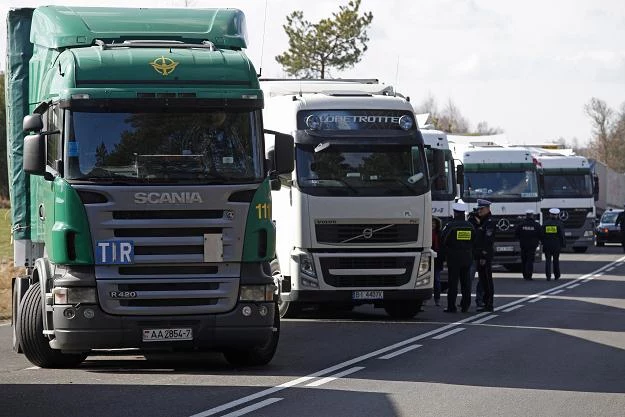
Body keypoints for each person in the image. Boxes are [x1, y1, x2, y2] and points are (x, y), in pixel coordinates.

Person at [440, 202, 475, 313]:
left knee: (453, 283)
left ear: (455, 213)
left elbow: (443, 239)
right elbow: (474, 241)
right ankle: (465, 305)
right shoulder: (470, 226)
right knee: (466, 283)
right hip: (467, 257)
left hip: (453, 258)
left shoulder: (451, 226)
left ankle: (451, 306)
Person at [474, 199, 496, 312]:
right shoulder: (483, 221)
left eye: (482, 209)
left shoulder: (489, 222)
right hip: (480, 255)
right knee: (483, 280)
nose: (479, 211)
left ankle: (489, 304)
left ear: (487, 209)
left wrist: (483, 256)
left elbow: (488, 240)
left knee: (487, 280)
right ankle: (485, 302)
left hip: (485, 256)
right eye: (479, 209)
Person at [515, 209, 543, 280]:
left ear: (526, 216)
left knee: (524, 260)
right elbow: (540, 235)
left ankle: (524, 275)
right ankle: (529, 275)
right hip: (532, 246)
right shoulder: (536, 225)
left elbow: (516, 234)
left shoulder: (521, 224)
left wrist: (521, 239)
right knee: (530, 260)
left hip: (523, 245)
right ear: (532, 216)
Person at [542, 208, 566, 280]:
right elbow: (562, 235)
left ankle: (548, 276)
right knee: (556, 260)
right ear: (557, 215)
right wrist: (563, 244)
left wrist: (543, 242)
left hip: (547, 245)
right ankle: (557, 275)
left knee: (548, 260)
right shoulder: (560, 223)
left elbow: (542, 234)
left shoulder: (545, 223)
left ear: (550, 214)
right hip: (556, 245)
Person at [467, 206, 484, 307]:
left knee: (481, 280)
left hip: (480, 255)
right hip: (473, 255)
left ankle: (479, 300)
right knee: (469, 279)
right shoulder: (471, 223)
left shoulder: (485, 222)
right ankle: (467, 300)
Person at [432, 217, 444, 306]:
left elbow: (442, 246)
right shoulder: (425, 232)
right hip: (427, 258)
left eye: (434, 223)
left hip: (437, 259)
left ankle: (437, 299)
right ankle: (423, 300)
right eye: (431, 223)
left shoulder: (440, 234)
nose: (432, 225)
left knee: (437, 280)